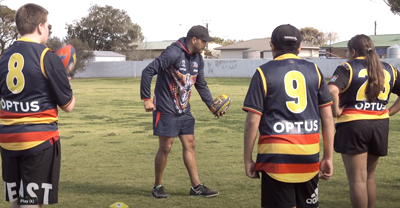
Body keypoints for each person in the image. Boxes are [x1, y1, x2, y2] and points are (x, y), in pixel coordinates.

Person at [243, 24, 335, 208]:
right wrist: (328, 157)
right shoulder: (315, 71)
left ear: (272, 46)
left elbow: (253, 121)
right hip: (308, 156)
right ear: (300, 47)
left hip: (276, 159)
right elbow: (328, 119)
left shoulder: (263, 72)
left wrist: (248, 159)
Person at [0, 3, 75, 208]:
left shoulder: (4, 56)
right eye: (49, 26)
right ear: (41, 27)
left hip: (7, 141)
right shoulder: (47, 56)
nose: (49, 30)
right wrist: (67, 86)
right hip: (38, 140)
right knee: (31, 203)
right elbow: (68, 105)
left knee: (16, 201)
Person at [140, 25, 223, 198]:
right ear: (194, 39)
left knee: (190, 143)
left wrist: (212, 106)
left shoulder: (198, 59)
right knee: (166, 146)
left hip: (184, 109)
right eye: (204, 41)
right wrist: (146, 99)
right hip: (165, 108)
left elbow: (200, 84)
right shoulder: (173, 52)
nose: (205, 45)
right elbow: (148, 71)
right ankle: (157, 187)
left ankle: (196, 187)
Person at [327, 34, 400, 208]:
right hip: (379, 125)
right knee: (369, 176)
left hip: (354, 124)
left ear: (352, 51)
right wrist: (388, 112)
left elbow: (331, 90)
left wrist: (336, 111)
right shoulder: (389, 69)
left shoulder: (347, 67)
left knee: (357, 180)